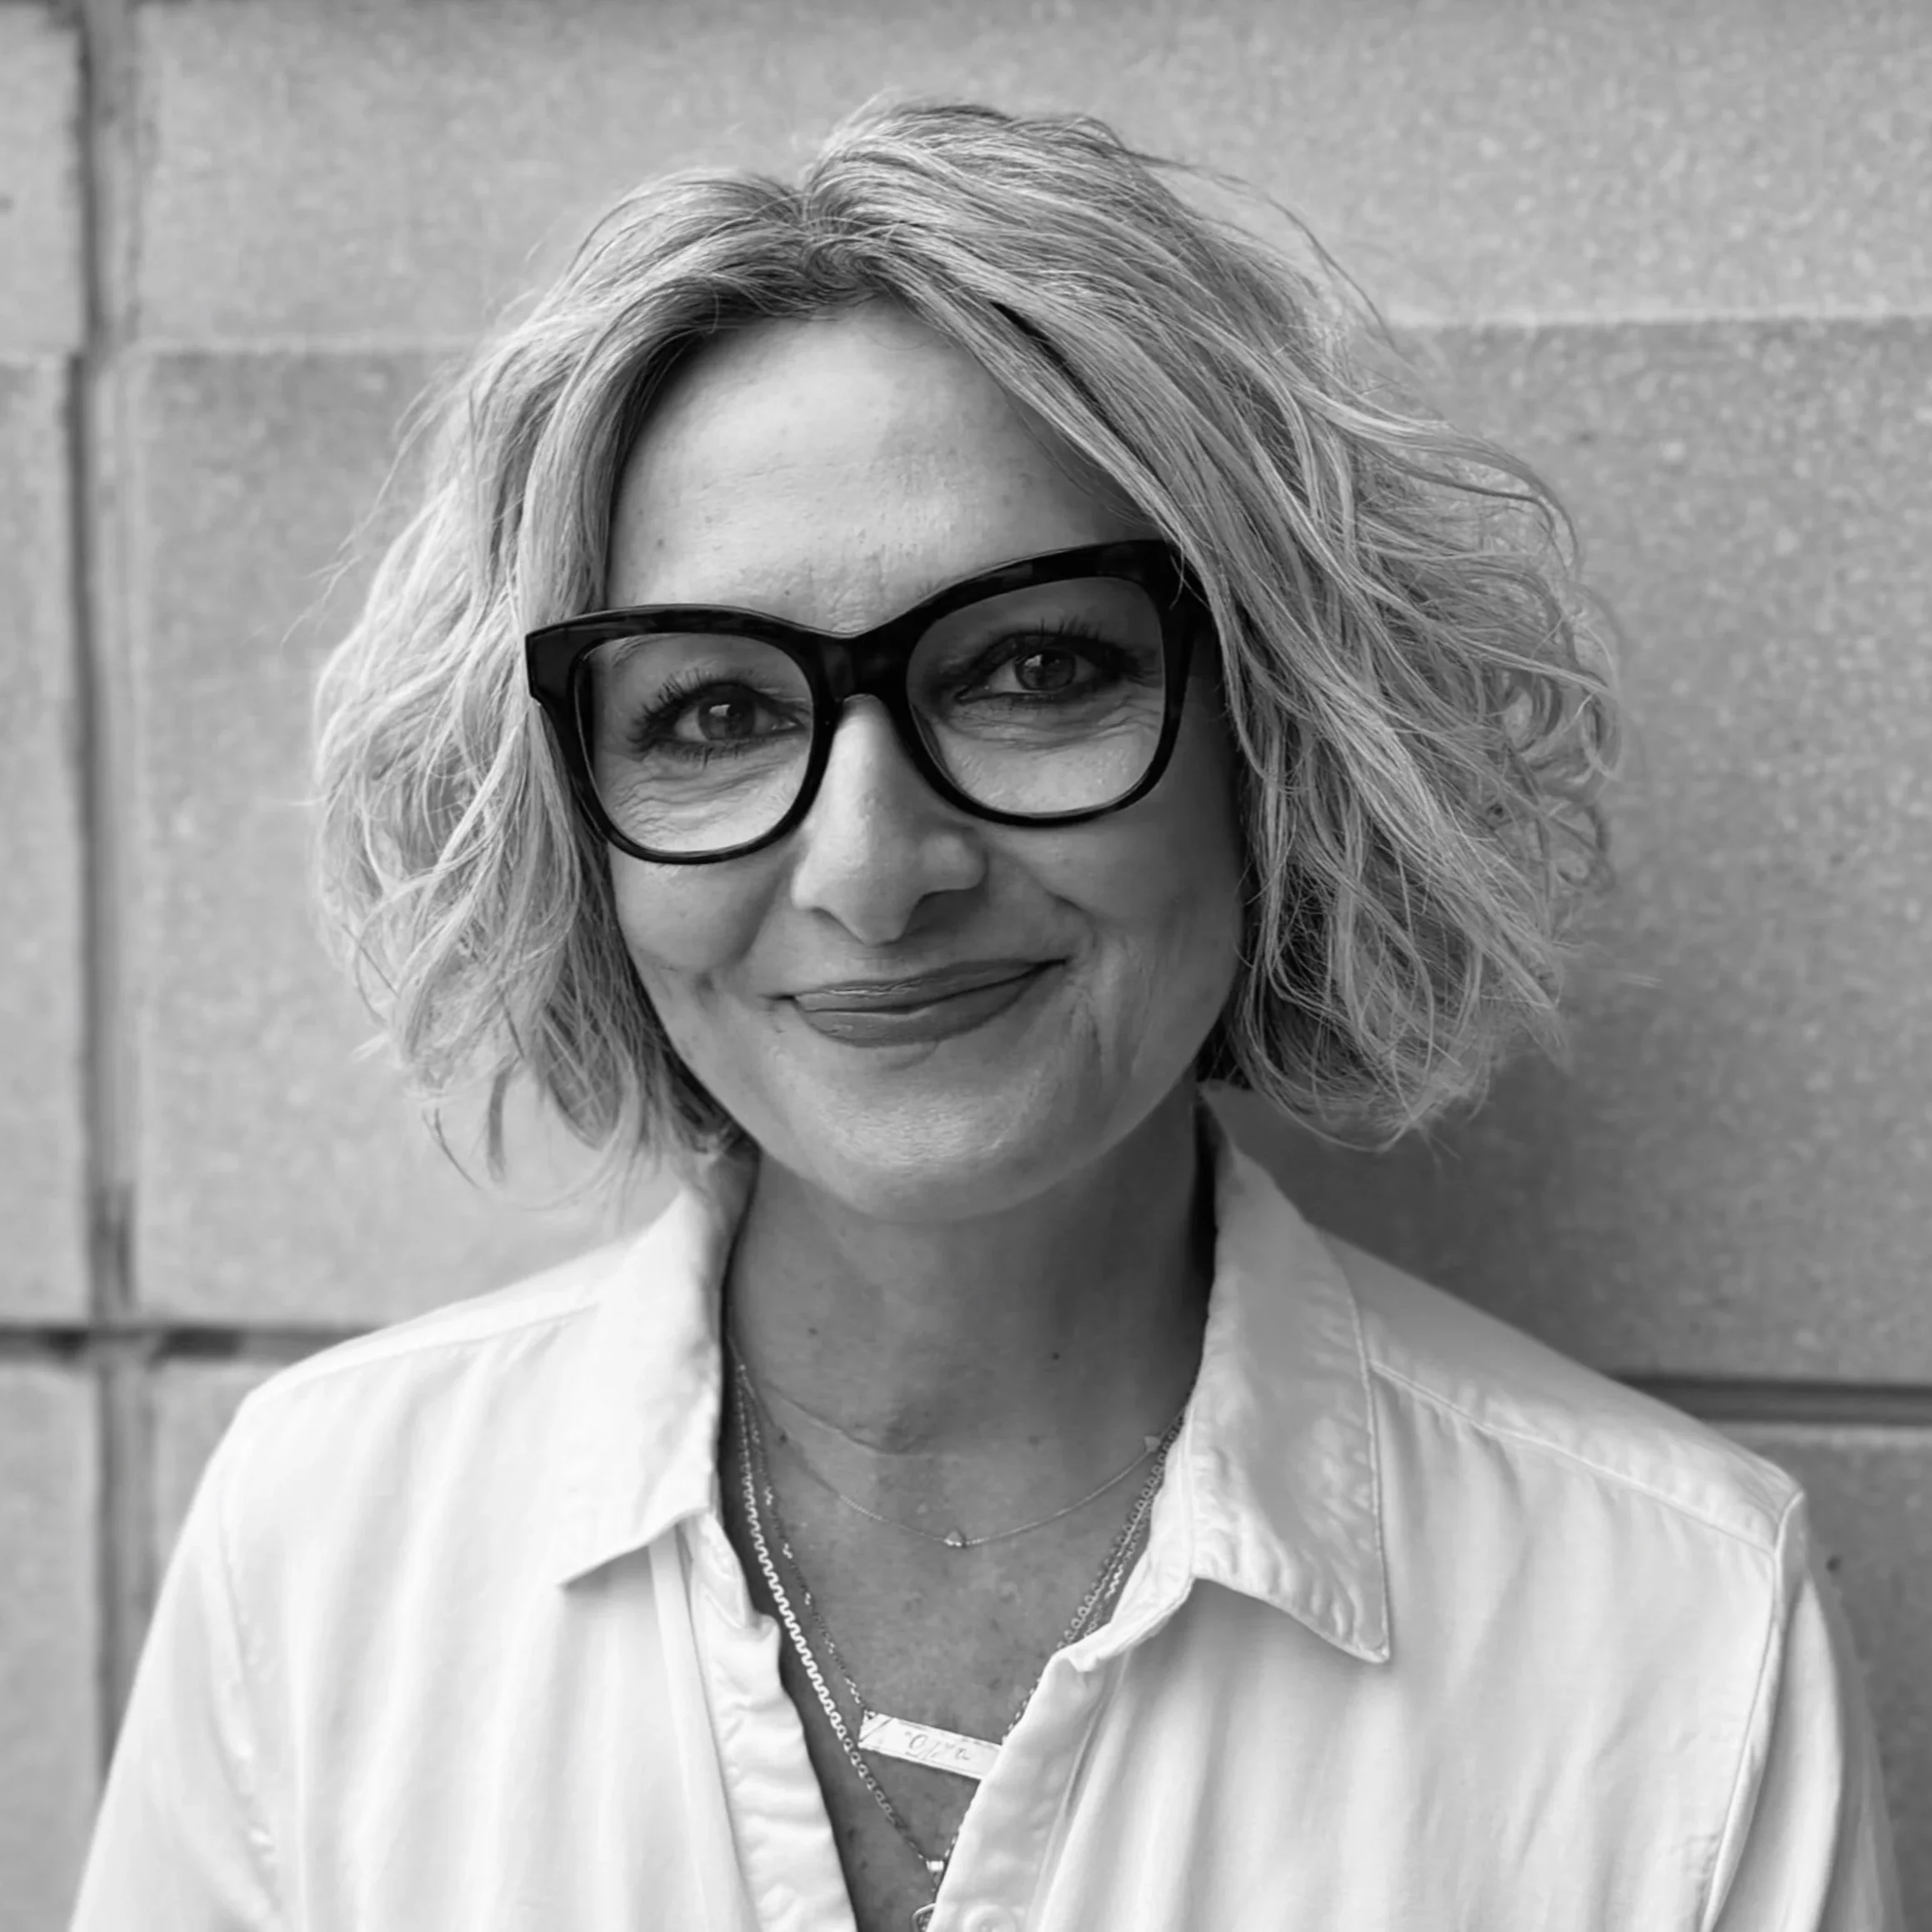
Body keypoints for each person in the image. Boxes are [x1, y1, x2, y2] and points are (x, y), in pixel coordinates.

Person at [70, 98, 1902, 1932]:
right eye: (712, 711)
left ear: (1273, 741)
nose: (874, 871)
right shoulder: (325, 1546)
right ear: (577, 820)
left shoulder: (1669, 1629)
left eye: (1035, 668)